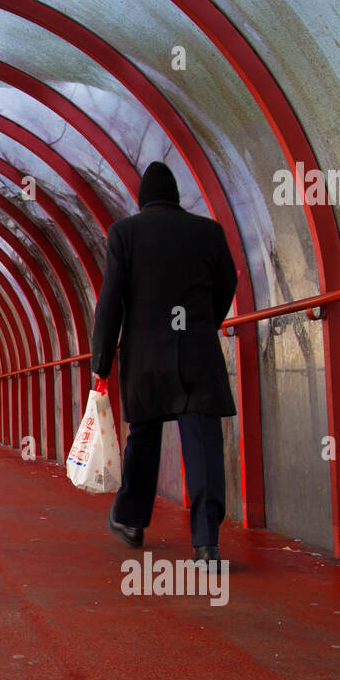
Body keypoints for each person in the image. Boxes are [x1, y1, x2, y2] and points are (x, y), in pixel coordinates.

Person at [90, 161, 238, 567]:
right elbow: (228, 282)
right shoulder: (208, 231)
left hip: (146, 358)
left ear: (142, 202)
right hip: (197, 353)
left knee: (143, 438)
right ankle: (207, 544)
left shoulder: (125, 234)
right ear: (174, 198)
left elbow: (110, 302)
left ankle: (132, 521)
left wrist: (100, 359)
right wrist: (206, 323)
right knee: (204, 444)